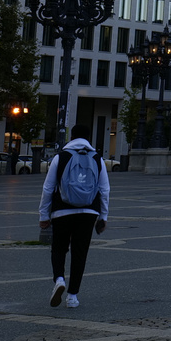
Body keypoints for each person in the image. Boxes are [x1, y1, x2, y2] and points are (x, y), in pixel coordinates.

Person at [39, 129, 110, 310]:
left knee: (59, 248)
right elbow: (105, 190)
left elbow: (48, 188)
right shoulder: (97, 158)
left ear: (71, 137)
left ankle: (59, 279)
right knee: (80, 253)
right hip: (88, 211)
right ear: (88, 138)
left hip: (62, 211)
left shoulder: (60, 157)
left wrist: (43, 215)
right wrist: (103, 216)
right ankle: (72, 296)